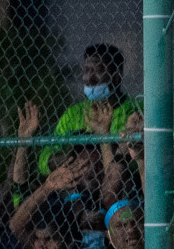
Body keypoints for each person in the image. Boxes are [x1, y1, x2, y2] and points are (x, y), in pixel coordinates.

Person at [38, 44, 143, 176]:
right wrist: (74, 156)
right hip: (79, 184)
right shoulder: (74, 113)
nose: (89, 78)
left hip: (126, 186)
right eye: (87, 70)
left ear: (116, 77)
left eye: (98, 70)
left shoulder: (136, 109)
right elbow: (44, 161)